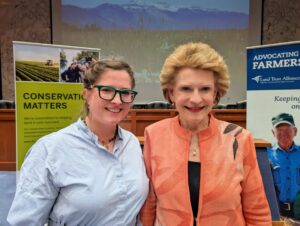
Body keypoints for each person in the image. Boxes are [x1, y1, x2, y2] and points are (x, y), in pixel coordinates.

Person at [140, 42, 271, 226]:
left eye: (205, 89)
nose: (195, 99)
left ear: (216, 93)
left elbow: (257, 212)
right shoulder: (154, 134)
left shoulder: (239, 138)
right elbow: (149, 206)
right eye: (186, 88)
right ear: (171, 93)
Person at [7, 59, 149, 225]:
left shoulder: (131, 143)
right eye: (107, 90)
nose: (117, 101)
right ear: (86, 94)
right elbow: (24, 222)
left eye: (125, 93)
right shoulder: (50, 150)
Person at [267, 112, 300, 219]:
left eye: (288, 129)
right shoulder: (267, 154)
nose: (283, 133)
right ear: (273, 133)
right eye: (279, 130)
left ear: (295, 131)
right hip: (276, 212)